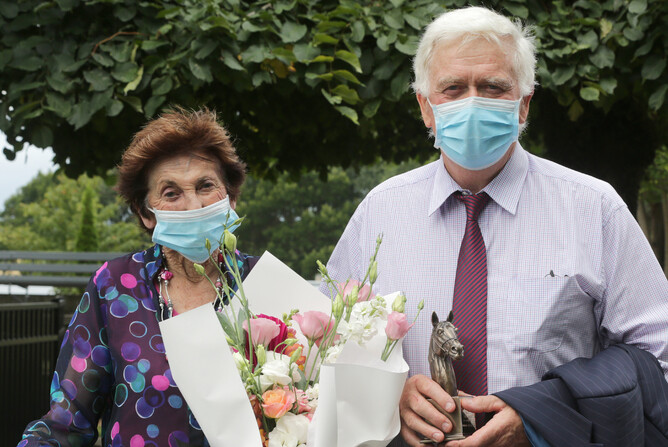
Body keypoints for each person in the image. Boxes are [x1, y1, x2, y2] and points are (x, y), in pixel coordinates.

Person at [322, 6, 668, 447]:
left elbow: (657, 360)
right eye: (452, 88)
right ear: (425, 108)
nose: (472, 102)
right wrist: (388, 398)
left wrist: (543, 416)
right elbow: (325, 356)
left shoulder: (594, 208)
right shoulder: (380, 214)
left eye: (493, 87)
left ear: (523, 103)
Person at [18, 108, 257, 446]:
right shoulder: (114, 287)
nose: (192, 205)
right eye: (171, 193)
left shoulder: (264, 283)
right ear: (147, 213)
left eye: (205, 186)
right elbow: (68, 423)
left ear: (230, 197)